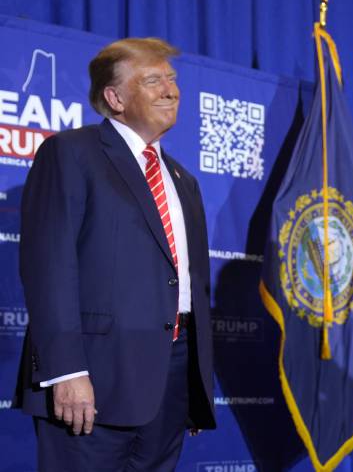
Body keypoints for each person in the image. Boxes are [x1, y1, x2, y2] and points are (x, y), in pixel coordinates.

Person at [15, 37, 216, 471]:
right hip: (93, 381)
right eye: (153, 80)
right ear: (115, 98)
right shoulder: (71, 153)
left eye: (172, 79)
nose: (170, 90)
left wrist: (193, 385)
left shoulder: (183, 180)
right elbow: (48, 266)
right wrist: (66, 371)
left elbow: (188, 285)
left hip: (171, 380)